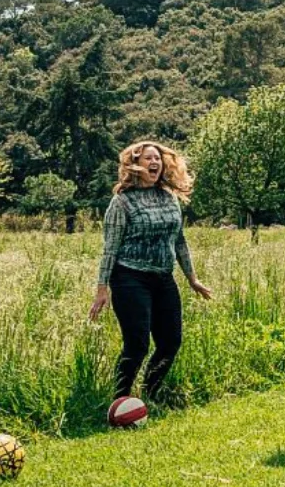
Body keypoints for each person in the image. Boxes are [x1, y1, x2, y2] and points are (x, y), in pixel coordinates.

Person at [89, 141, 213, 405]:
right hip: (129, 278)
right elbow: (110, 249)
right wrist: (102, 289)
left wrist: (193, 278)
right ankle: (119, 401)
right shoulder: (121, 202)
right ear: (135, 165)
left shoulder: (169, 198)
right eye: (148, 158)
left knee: (170, 342)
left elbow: (179, 240)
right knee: (137, 345)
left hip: (163, 278)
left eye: (157, 158)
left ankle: (150, 394)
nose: (154, 162)